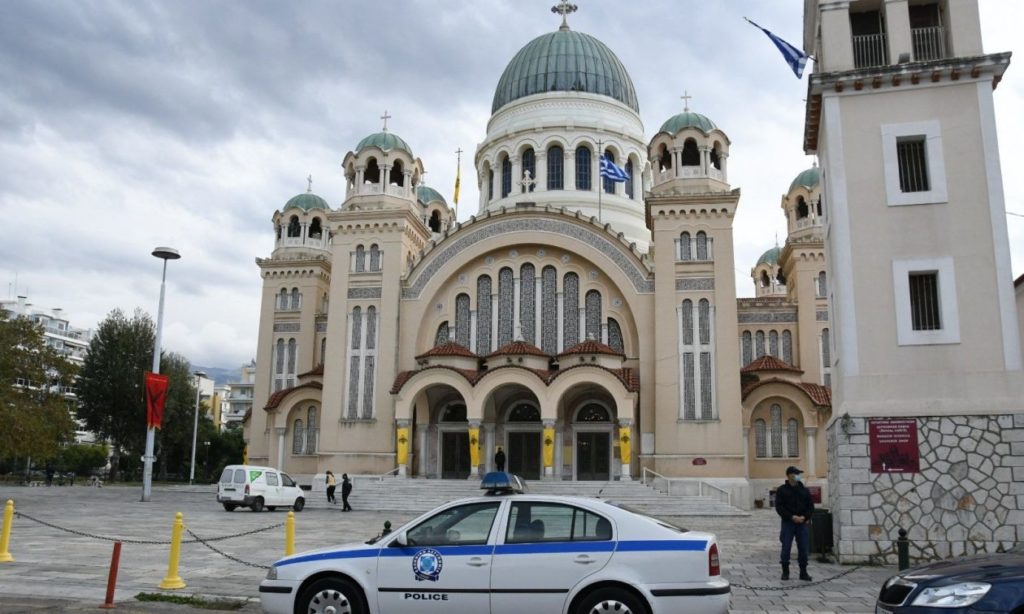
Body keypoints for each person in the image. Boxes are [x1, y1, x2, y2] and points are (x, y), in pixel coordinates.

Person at [775, 465, 814, 581]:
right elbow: (779, 507)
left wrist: (804, 517)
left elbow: (810, 507)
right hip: (788, 523)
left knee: (803, 547)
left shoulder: (804, 490)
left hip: (802, 523)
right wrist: (791, 517)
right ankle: (785, 571)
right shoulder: (782, 490)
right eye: (795, 474)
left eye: (798, 474)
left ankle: (803, 572)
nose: (798, 476)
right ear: (789, 475)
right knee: (786, 546)